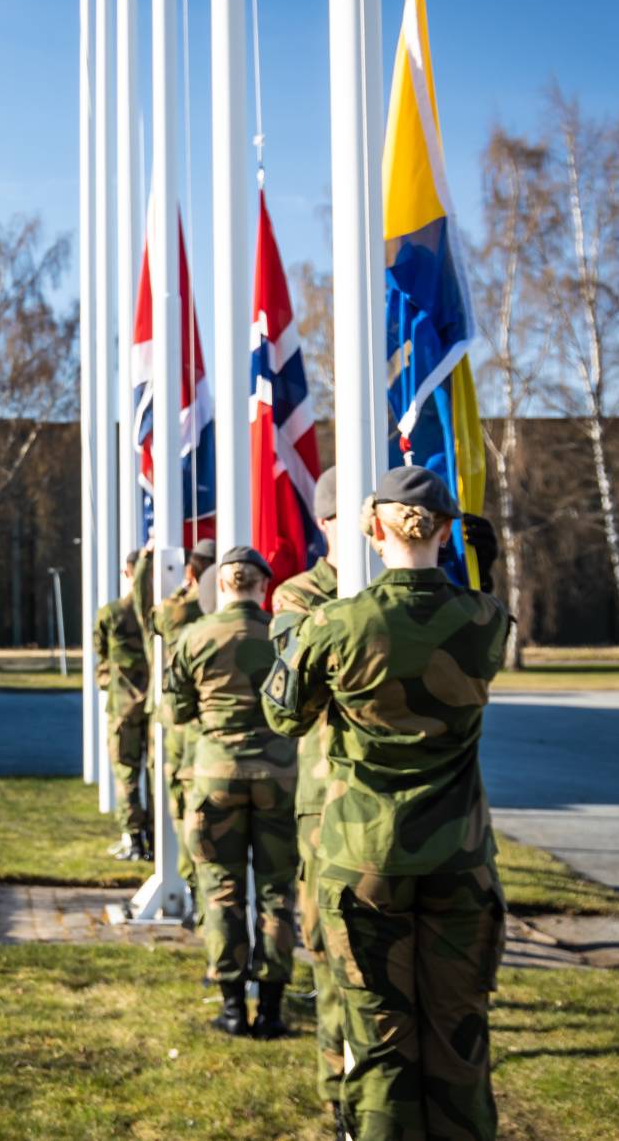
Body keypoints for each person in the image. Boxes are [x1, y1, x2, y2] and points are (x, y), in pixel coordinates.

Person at [264, 466, 510, 1141]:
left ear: (374, 530)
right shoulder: (485, 618)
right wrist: (482, 572)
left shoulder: (336, 622)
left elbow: (284, 716)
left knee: (378, 1042)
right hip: (460, 858)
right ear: (444, 531)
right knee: (459, 1036)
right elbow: (486, 624)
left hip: (364, 857)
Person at [166, 546, 295, 1038]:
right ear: (264, 586)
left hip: (215, 773)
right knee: (276, 892)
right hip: (278, 777)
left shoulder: (195, 636)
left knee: (221, 889)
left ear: (222, 586)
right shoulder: (285, 634)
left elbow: (177, 712)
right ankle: (273, 1008)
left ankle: (231, 1007)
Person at [271, 470, 349, 1113]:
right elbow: (299, 692)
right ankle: (340, 1098)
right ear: (326, 524)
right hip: (327, 800)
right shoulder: (299, 595)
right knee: (329, 952)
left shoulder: (407, 591)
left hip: (402, 802)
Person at [153, 538, 216, 895]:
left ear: (192, 571)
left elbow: (157, 617)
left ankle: (192, 882)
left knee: (184, 807)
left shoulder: (179, 611)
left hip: (182, 724)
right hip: (212, 725)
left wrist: (182, 587)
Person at [94, 548, 155, 860]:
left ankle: (133, 837)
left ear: (126, 573)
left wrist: (109, 681)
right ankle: (157, 839)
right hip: (153, 706)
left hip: (122, 706)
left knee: (126, 773)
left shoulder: (111, 614)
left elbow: (101, 657)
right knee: (154, 774)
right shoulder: (155, 614)